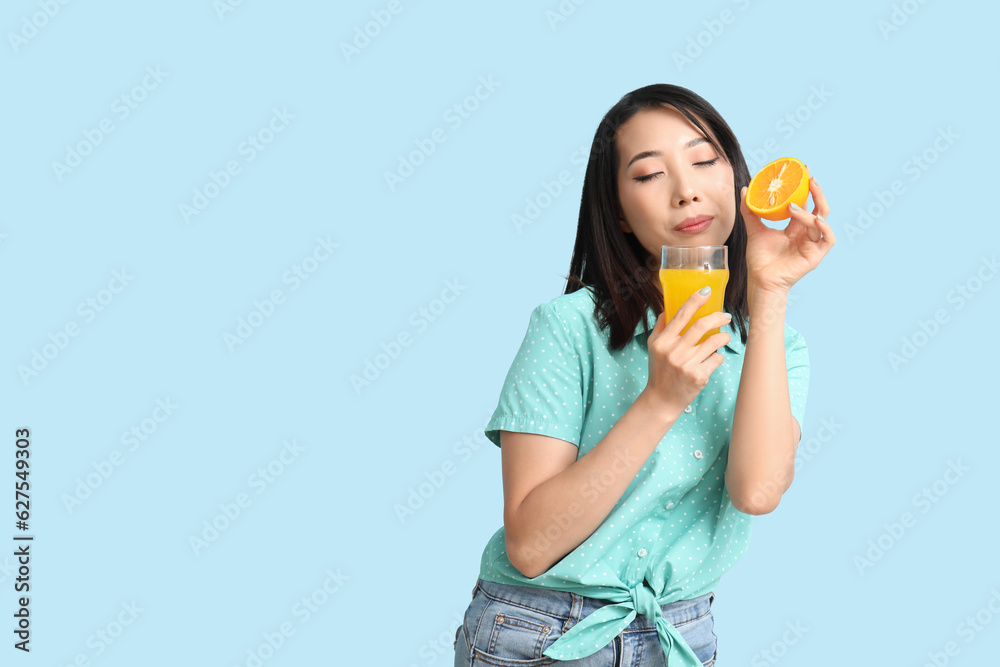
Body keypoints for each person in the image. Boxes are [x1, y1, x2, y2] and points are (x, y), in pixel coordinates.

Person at [453, 83, 834, 667]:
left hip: (679, 633)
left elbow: (757, 492)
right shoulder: (567, 328)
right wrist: (660, 400)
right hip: (540, 629)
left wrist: (770, 291)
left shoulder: (778, 347)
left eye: (705, 161)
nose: (686, 191)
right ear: (622, 217)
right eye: (649, 175)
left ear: (738, 182)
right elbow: (530, 546)